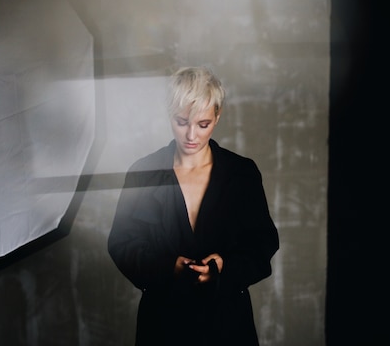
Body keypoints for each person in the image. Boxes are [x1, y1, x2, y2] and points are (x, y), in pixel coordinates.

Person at [108, 67, 279, 346]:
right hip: (162, 325)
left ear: (217, 117)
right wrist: (168, 267)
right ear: (169, 115)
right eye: (181, 121)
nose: (191, 135)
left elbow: (262, 244)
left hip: (227, 324)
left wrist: (224, 266)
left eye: (203, 124)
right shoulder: (143, 172)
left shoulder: (241, 173)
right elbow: (121, 243)